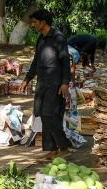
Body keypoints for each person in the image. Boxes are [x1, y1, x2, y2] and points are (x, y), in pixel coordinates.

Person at [20, 9, 71, 159]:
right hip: (42, 82)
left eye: (35, 22)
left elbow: (65, 62)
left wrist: (65, 82)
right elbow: (36, 61)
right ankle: (52, 148)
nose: (33, 25)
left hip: (55, 82)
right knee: (42, 113)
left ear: (43, 22)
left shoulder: (58, 38)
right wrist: (27, 79)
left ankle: (64, 148)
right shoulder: (41, 39)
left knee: (50, 114)